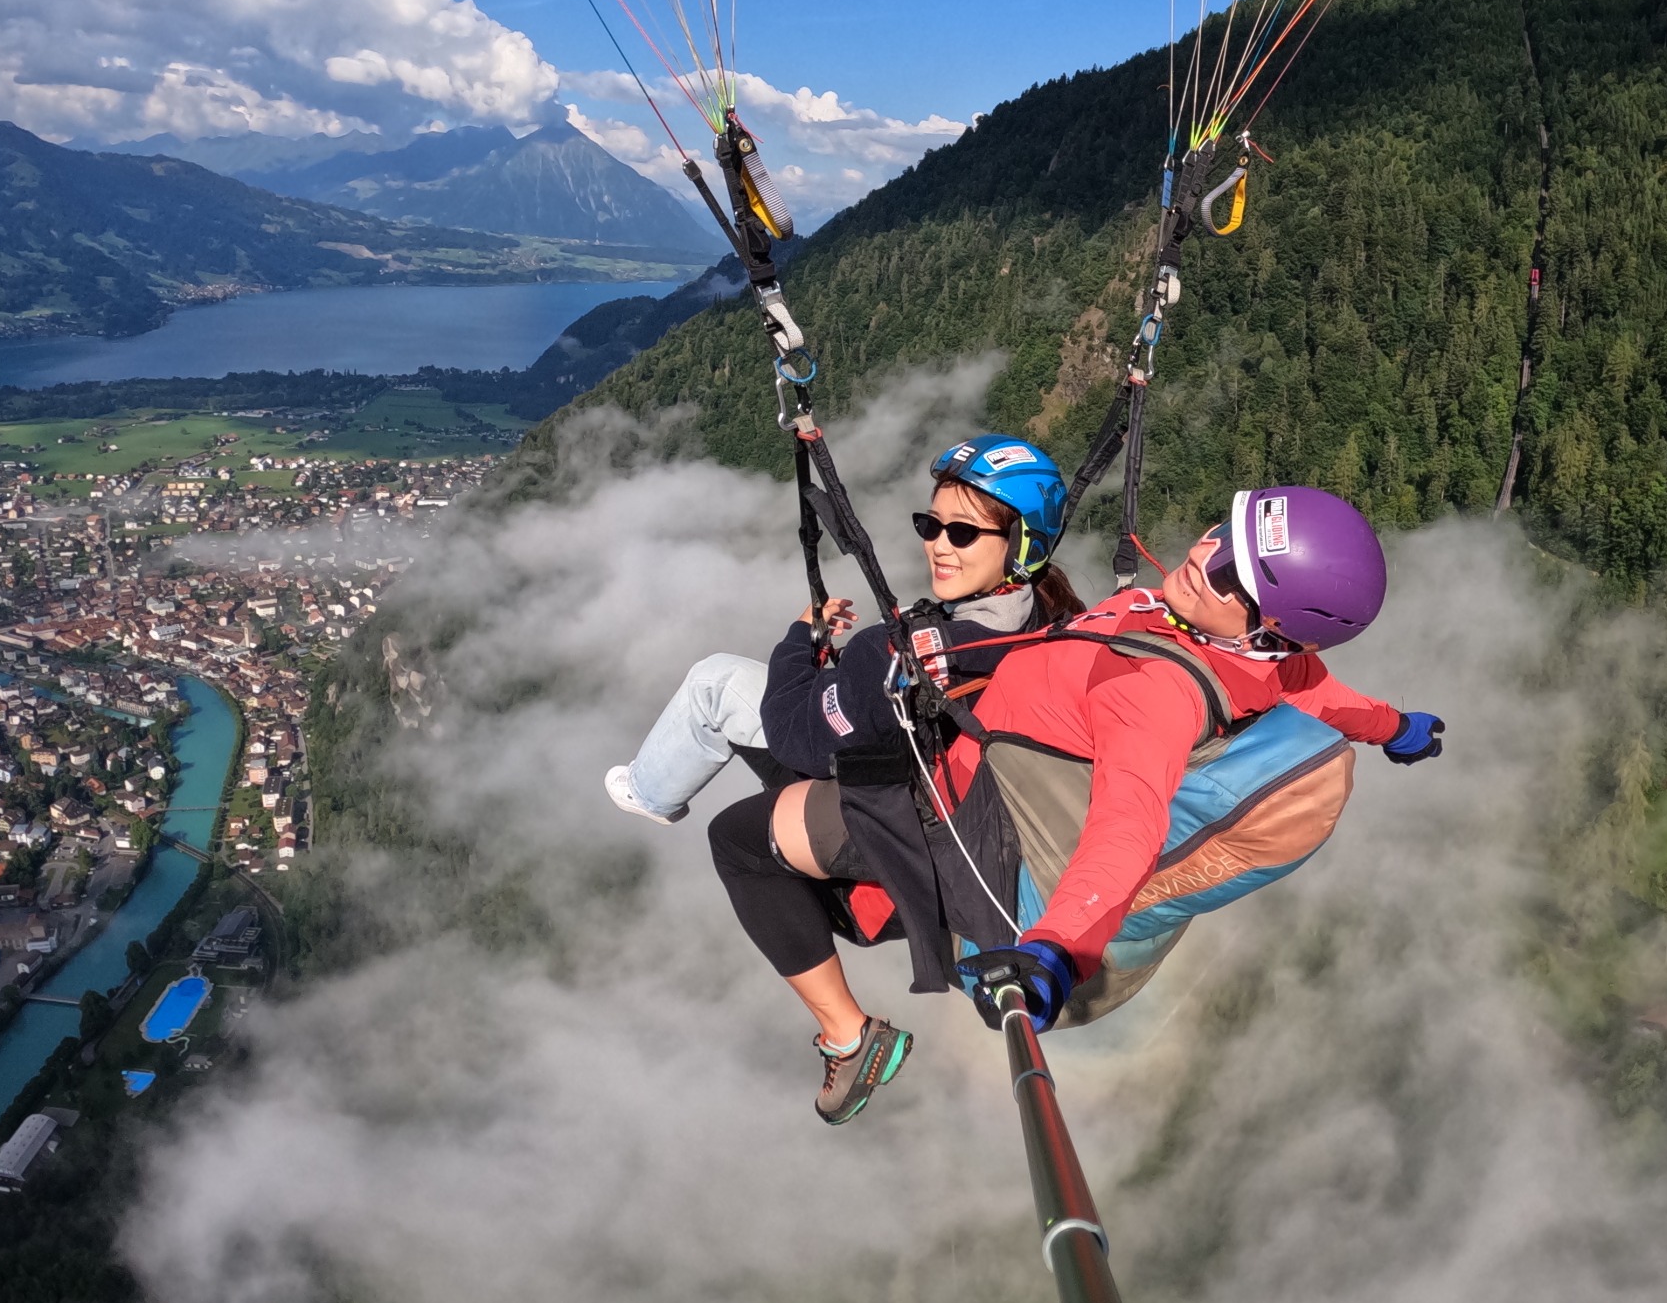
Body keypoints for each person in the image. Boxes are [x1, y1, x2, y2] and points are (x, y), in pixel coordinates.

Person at [706, 481, 1444, 1113]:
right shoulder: (1235, 649)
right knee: (798, 781)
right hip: (980, 769)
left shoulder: (1154, 693)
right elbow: (1323, 692)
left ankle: (848, 1037)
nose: (1201, 559)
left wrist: (1059, 950)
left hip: (962, 813)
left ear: (1270, 632)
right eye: (1221, 534)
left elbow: (1130, 826)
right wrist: (1396, 727)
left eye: (1231, 578)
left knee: (740, 842)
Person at [610, 434, 1078, 1123]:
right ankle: (651, 792)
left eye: (962, 532)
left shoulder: (900, 649)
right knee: (714, 685)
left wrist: (799, 643)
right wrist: (837, 680)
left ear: (1021, 545)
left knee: (737, 838)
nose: (938, 545)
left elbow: (799, 733)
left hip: (915, 809)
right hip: (934, 764)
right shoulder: (1038, 615)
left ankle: (848, 1037)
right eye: (930, 525)